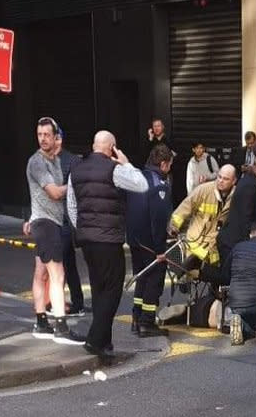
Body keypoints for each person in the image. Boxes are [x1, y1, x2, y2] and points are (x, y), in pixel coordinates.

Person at [67, 131, 148, 360]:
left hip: (86, 240)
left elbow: (72, 206)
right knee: (112, 290)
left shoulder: (76, 169)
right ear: (112, 148)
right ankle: (95, 340)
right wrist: (126, 162)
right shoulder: (114, 169)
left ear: (93, 146)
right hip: (109, 239)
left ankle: (104, 342)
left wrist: (83, 229)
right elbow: (141, 185)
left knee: (98, 288)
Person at [23, 117, 80, 343]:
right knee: (58, 274)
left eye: (47, 135)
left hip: (45, 221)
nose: (43, 139)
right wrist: (74, 185)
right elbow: (55, 193)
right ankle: (61, 326)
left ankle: (41, 322)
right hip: (46, 224)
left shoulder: (54, 162)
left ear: (56, 138)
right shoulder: (37, 162)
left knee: (41, 273)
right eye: (40, 135)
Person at [126, 144, 174, 337]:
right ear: (163, 164)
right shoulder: (159, 186)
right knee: (154, 281)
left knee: (141, 277)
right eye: (169, 164)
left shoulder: (137, 179)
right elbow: (158, 219)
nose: (170, 168)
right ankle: (147, 321)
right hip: (150, 242)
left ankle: (136, 318)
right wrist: (160, 249)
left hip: (135, 239)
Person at [212, 154, 256, 286]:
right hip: (232, 241)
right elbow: (246, 217)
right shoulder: (251, 186)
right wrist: (249, 245)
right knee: (228, 279)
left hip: (232, 239)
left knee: (230, 280)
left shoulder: (249, 181)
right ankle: (201, 273)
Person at [169, 164, 237, 275]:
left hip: (215, 247)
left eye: (225, 179)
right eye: (219, 177)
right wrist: (173, 227)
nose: (220, 181)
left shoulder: (237, 196)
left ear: (234, 181)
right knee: (188, 276)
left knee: (213, 279)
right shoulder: (203, 190)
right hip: (196, 243)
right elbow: (184, 208)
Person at [55, 126, 86, 315]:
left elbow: (76, 188)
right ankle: (73, 301)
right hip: (54, 219)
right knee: (61, 264)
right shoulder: (42, 159)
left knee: (63, 264)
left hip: (64, 219)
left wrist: (61, 189)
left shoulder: (70, 161)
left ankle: (74, 302)